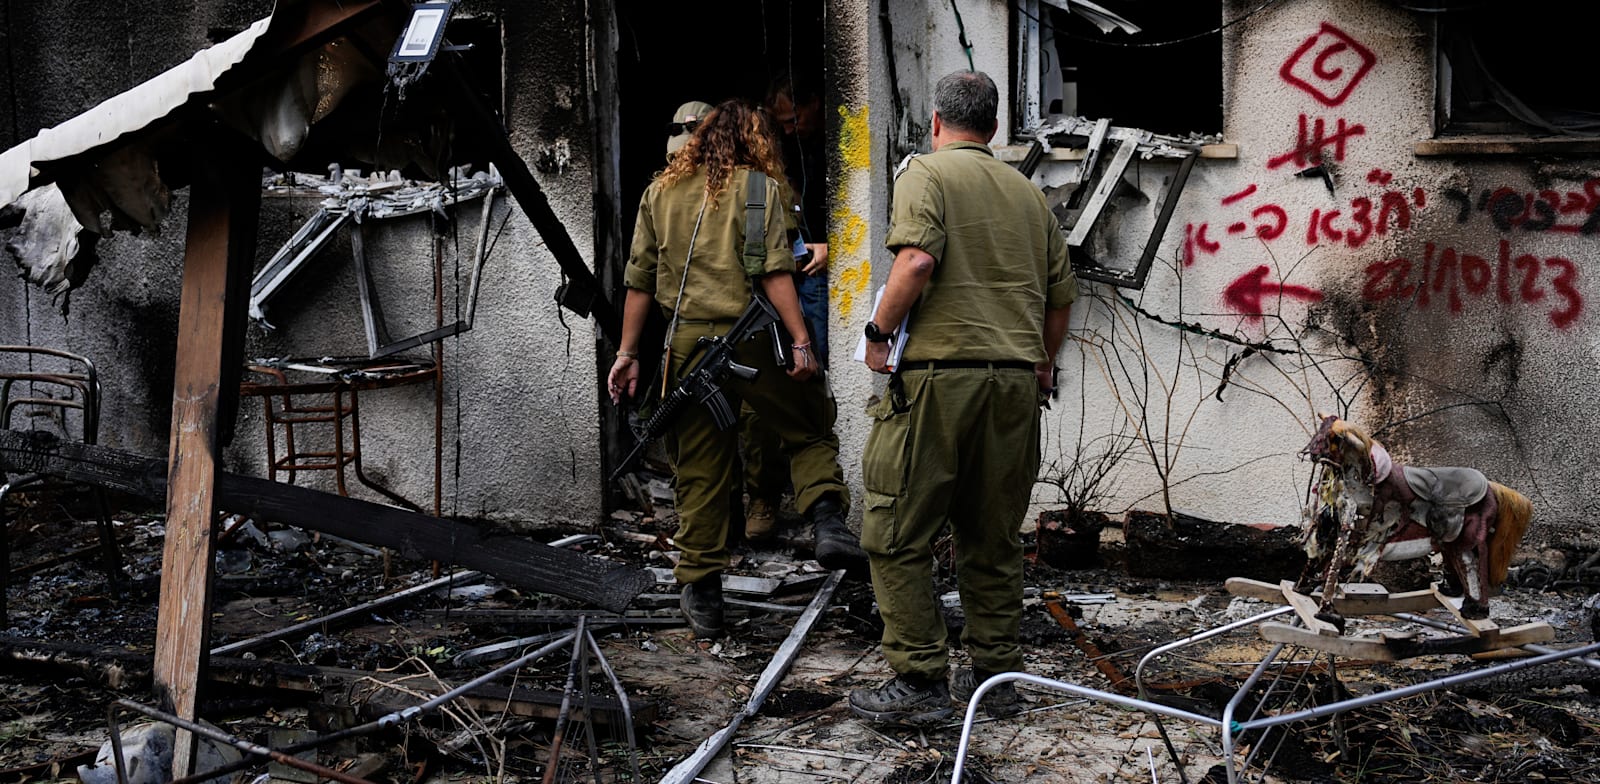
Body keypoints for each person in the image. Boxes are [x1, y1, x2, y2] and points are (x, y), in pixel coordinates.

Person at [848, 71, 1078, 724]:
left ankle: (920, 683)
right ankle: (996, 684)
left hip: (939, 383)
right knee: (993, 538)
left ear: (936, 123)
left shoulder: (926, 172)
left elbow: (916, 262)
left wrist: (877, 333)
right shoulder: (1027, 195)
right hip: (1012, 387)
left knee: (894, 532)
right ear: (996, 128)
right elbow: (1061, 299)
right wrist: (1040, 364)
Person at [610, 99, 867, 640]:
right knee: (808, 426)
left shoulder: (659, 193)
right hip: (756, 337)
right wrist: (801, 340)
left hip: (688, 350)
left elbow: (639, 280)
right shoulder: (762, 190)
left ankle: (702, 589)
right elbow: (775, 273)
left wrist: (628, 353)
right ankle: (826, 518)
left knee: (699, 468)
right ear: (756, 141)